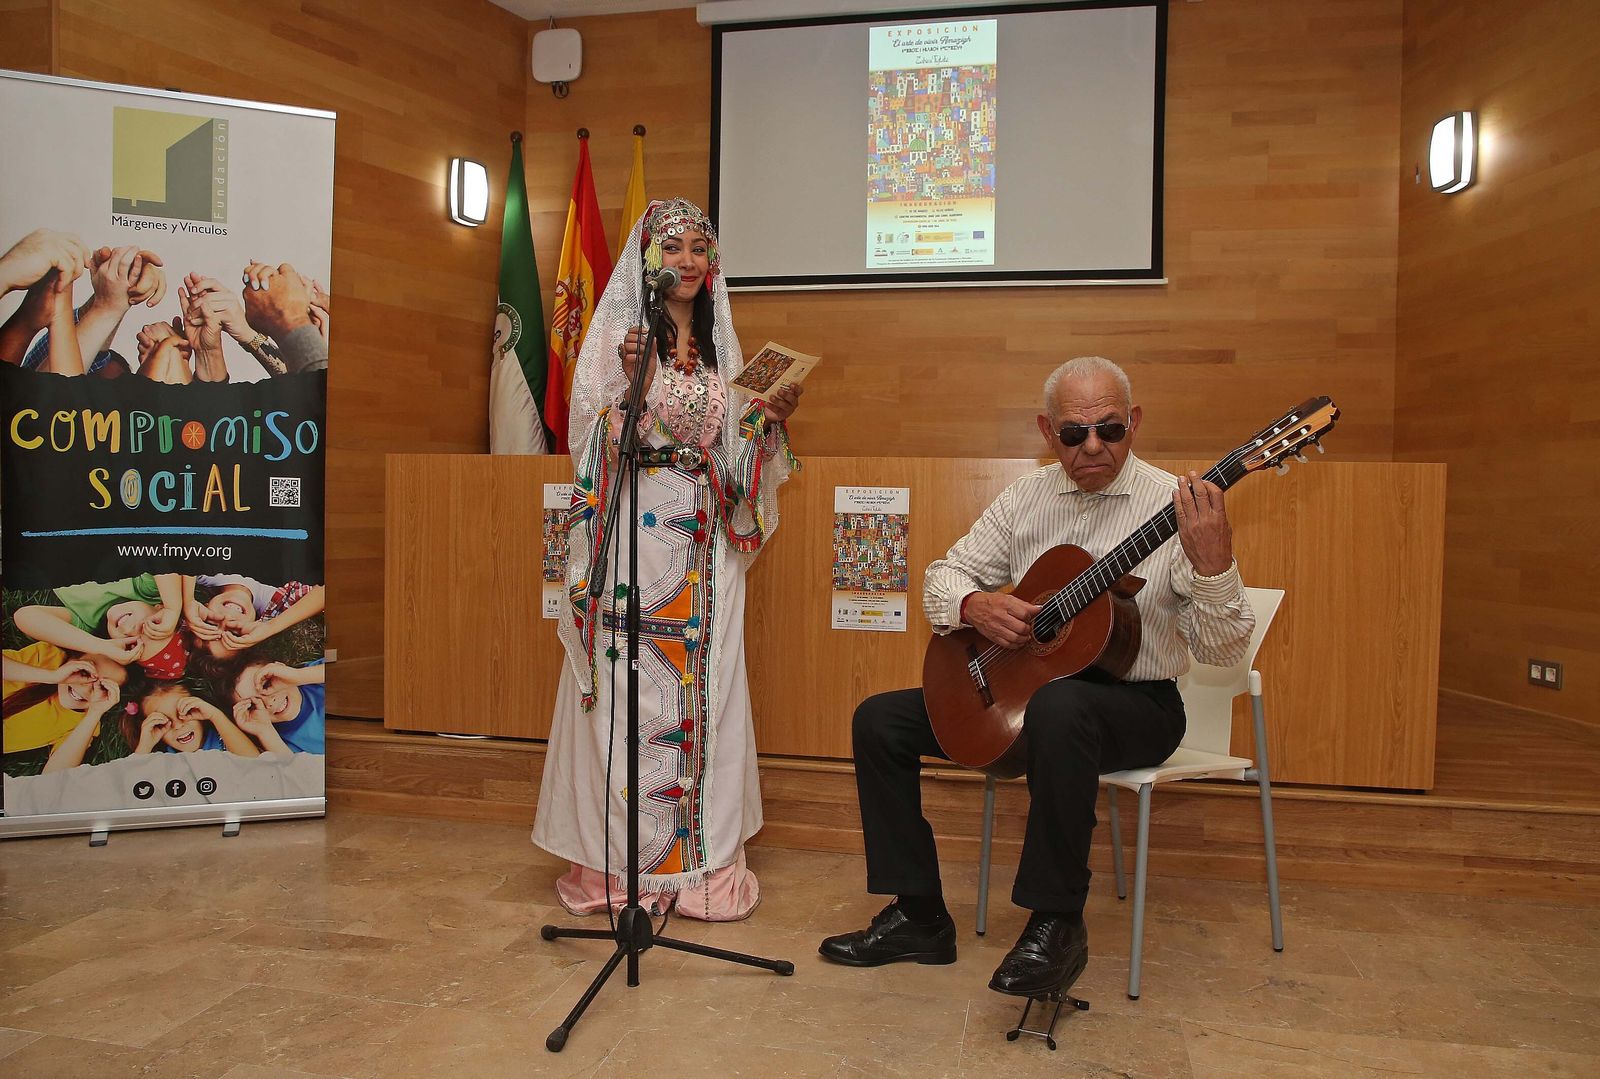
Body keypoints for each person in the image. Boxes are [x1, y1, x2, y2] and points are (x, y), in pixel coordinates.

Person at [818, 355, 1254, 999]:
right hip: (1031, 695)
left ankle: (1056, 922)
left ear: (1134, 423)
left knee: (1062, 707)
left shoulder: (1178, 509)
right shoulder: (1027, 497)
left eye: (1110, 429)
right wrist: (974, 605)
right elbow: (944, 575)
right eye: (1074, 434)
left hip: (1139, 707)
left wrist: (1215, 566)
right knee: (879, 719)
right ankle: (918, 916)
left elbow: (1222, 650)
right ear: (1048, 432)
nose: (1093, 447)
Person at [533, 198, 802, 921]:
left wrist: (767, 422)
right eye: (674, 247)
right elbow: (591, 442)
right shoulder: (623, 338)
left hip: (705, 551)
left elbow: (737, 462)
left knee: (705, 694)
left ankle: (699, 870)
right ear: (648, 258)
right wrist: (635, 386)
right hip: (632, 536)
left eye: (699, 248)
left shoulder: (720, 353)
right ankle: (621, 868)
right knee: (625, 690)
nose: (687, 261)